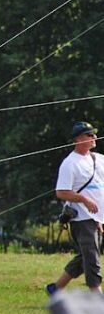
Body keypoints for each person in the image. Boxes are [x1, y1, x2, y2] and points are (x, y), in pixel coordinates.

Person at [46, 121, 103, 296]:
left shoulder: (99, 159)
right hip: (82, 218)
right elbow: (61, 192)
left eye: (94, 134)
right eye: (89, 135)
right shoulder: (69, 163)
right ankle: (97, 296)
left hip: (97, 217)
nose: (94, 137)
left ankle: (56, 288)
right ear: (78, 139)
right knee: (91, 257)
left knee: (85, 256)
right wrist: (83, 200)